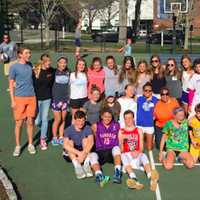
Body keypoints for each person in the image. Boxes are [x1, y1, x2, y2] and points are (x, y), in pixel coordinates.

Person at [119, 110, 159, 191]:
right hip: (127, 157)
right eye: (126, 118)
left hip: (137, 155)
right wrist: (122, 141)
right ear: (124, 120)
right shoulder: (121, 131)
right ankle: (134, 180)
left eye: (130, 118)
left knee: (144, 156)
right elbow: (121, 150)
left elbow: (141, 147)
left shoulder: (139, 130)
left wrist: (138, 152)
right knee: (122, 156)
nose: (128, 120)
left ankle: (151, 178)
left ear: (133, 118)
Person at [9, 48, 36, 157]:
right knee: (19, 123)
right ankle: (18, 146)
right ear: (20, 55)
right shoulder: (14, 67)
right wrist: (12, 100)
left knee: (30, 122)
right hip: (19, 98)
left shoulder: (30, 65)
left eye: (29, 52)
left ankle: (30, 144)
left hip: (31, 97)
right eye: (26, 53)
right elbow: (11, 85)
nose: (29, 54)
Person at [90, 109, 121, 187]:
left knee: (116, 148)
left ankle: (117, 173)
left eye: (109, 117)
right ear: (101, 117)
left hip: (111, 151)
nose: (107, 118)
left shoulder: (116, 125)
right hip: (100, 150)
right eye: (105, 116)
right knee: (92, 155)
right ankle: (100, 175)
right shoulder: (95, 126)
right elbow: (91, 139)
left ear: (112, 117)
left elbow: (121, 138)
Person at [33, 54, 55, 150]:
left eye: (49, 61)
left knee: (45, 119)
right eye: (46, 61)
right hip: (36, 99)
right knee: (37, 121)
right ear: (42, 61)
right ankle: (45, 129)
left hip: (47, 98)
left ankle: (43, 139)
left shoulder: (52, 71)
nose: (48, 63)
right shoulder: (35, 71)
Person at [63, 111, 94, 179]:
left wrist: (83, 153)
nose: (81, 123)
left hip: (83, 151)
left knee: (85, 140)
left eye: (83, 120)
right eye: (78, 120)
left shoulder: (88, 128)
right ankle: (77, 166)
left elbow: (91, 142)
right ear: (74, 120)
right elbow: (65, 145)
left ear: (85, 119)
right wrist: (80, 154)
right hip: (72, 153)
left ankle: (86, 164)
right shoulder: (68, 130)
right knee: (70, 142)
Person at [51, 57, 70, 146]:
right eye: (61, 62)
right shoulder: (53, 72)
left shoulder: (68, 72)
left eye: (64, 62)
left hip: (65, 100)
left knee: (63, 119)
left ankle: (61, 136)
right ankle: (54, 137)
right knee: (57, 119)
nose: (63, 64)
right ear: (58, 63)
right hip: (56, 100)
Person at [136, 82, 158, 150]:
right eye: (146, 90)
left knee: (149, 148)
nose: (147, 92)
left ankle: (150, 140)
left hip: (149, 125)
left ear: (152, 92)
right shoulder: (139, 99)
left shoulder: (155, 99)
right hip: (140, 125)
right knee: (139, 147)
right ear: (143, 91)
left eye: (149, 90)